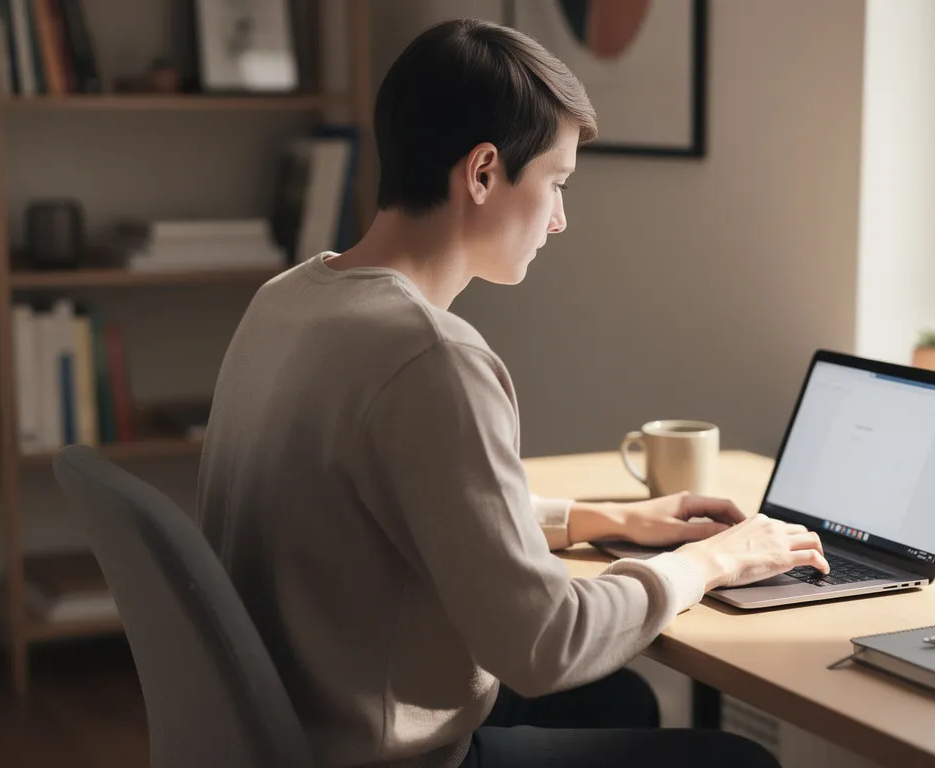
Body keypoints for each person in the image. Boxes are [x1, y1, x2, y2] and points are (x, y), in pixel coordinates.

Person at [196, 18, 829, 768]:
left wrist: (606, 519)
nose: (561, 220)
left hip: (297, 718)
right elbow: (544, 644)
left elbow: (400, 503)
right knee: (738, 763)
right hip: (380, 749)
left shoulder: (292, 297)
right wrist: (714, 563)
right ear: (484, 172)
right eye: (556, 183)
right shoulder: (431, 356)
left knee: (621, 701)